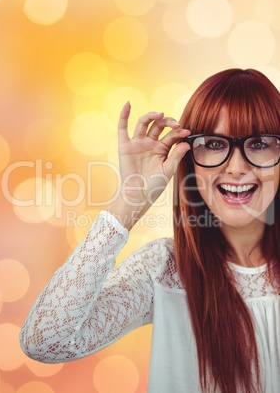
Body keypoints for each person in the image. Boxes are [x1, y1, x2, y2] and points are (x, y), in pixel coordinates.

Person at [20, 68, 280, 393]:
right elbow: (43, 340)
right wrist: (128, 203)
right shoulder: (164, 269)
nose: (237, 167)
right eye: (214, 143)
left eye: (259, 143)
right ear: (188, 158)